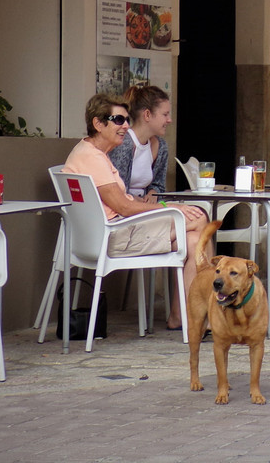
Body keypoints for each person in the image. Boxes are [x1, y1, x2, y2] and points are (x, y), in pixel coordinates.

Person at [63, 93, 208, 330]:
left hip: (111, 233)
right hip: (116, 236)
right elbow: (123, 206)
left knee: (193, 240)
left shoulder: (90, 152)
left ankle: (184, 315)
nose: (126, 126)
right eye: (118, 120)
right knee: (199, 218)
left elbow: (128, 200)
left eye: (126, 120)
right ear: (98, 124)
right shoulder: (92, 158)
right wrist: (165, 206)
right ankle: (197, 313)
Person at [108, 85, 171, 202]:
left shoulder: (161, 146)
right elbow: (116, 190)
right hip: (125, 210)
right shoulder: (124, 143)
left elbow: (159, 185)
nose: (169, 120)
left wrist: (153, 192)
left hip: (145, 208)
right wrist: (135, 201)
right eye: (165, 114)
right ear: (147, 115)